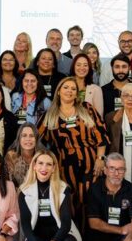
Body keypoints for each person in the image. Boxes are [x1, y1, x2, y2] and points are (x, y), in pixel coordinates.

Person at [40, 77, 109, 221]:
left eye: (73, 89)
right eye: (66, 87)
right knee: (68, 203)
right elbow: (37, 139)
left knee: (89, 202)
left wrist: (100, 158)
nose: (69, 91)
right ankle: (71, 233)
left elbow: (101, 134)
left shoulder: (87, 108)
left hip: (90, 165)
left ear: (77, 93)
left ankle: (90, 234)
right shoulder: (49, 114)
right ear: (58, 91)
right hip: (63, 166)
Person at [19, 150, 79, 241]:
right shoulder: (24, 191)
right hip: (37, 233)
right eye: (40, 163)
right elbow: (25, 224)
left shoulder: (63, 188)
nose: (44, 168)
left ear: (53, 168)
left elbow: (66, 223)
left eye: (48, 164)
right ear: (34, 166)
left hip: (59, 232)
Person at [5, 123, 43, 189]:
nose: (28, 139)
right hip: (16, 192)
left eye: (32, 136)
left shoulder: (43, 156)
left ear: (36, 139)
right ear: (19, 139)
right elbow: (8, 182)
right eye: (24, 135)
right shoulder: (11, 156)